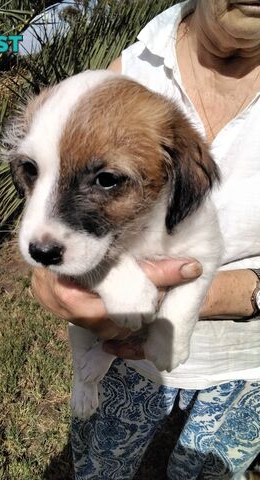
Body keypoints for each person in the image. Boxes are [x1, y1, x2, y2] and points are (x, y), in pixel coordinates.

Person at [32, 0, 260, 478]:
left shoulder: (187, 181)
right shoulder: (126, 68)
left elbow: (199, 247)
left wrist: (216, 297)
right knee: (102, 465)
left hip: (248, 366)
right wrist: (55, 277)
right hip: (120, 361)